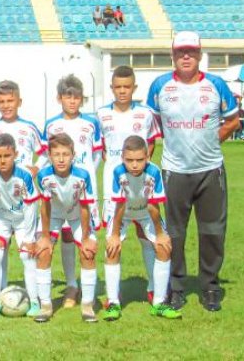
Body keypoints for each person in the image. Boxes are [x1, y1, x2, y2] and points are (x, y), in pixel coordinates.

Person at [147, 31, 240, 312]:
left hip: (210, 170)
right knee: (173, 232)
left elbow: (233, 121)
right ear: (173, 56)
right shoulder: (160, 85)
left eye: (191, 52)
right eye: (180, 52)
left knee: (212, 231)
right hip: (174, 171)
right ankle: (175, 287)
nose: (185, 57)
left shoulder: (216, 85)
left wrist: (212, 141)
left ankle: (210, 286)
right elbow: (152, 128)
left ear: (200, 55)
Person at [96, 66, 161, 303]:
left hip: (142, 186)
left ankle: (154, 288)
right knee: (113, 240)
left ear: (134, 88)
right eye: (118, 87)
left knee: (147, 236)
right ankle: (114, 296)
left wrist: (140, 166)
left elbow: (151, 144)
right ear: (112, 88)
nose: (122, 91)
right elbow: (99, 149)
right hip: (113, 190)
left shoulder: (145, 114)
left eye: (127, 87)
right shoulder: (101, 115)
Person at [102, 136, 181, 321]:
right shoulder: (118, 172)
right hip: (123, 211)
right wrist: (114, 235)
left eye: (139, 160)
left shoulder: (154, 172)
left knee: (163, 247)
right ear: (122, 158)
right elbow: (119, 205)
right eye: (130, 160)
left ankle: (159, 303)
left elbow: (154, 205)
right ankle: (113, 302)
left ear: (147, 157)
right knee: (112, 250)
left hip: (146, 210)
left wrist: (160, 235)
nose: (135, 165)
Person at [41, 75, 102, 310]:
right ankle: (71, 285)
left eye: (77, 97)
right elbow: (49, 155)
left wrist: (83, 178)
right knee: (65, 235)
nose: (73, 101)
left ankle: (87, 294)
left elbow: (96, 155)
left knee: (85, 239)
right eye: (68, 97)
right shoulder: (52, 125)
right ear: (59, 98)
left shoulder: (91, 123)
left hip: (84, 191)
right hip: (59, 192)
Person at [34, 133, 98, 323]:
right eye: (56, 155)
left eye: (65, 154)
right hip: (54, 214)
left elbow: (86, 207)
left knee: (88, 253)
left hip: (77, 215)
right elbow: (44, 206)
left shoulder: (82, 175)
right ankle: (45, 306)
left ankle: (87, 305)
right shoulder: (44, 175)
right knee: (43, 251)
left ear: (73, 155)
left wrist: (86, 238)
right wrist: (45, 237)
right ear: (49, 156)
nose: (61, 159)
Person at [0, 134, 41, 318]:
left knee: (27, 256)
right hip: (2, 219)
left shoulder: (24, 175)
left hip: (24, 220)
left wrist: (30, 239)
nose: (2, 160)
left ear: (15, 154)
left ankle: (34, 301)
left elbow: (31, 206)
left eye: (7, 156)